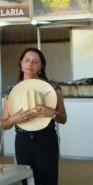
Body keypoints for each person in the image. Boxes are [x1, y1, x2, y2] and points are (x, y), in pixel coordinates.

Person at [1, 47, 67, 185]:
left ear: (41, 66)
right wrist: (14, 119)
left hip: (46, 139)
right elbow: (4, 124)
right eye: (27, 60)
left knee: (48, 180)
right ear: (21, 63)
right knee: (27, 180)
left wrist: (53, 113)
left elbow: (63, 118)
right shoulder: (11, 90)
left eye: (35, 62)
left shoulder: (53, 87)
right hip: (22, 141)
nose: (30, 64)